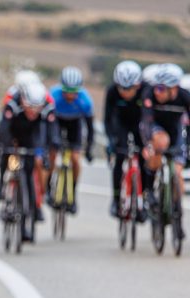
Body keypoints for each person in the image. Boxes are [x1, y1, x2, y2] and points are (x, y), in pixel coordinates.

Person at [0, 81, 54, 239]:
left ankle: (31, 208)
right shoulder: (12, 105)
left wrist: (45, 154)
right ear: (23, 101)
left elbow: (48, 134)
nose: (33, 112)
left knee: (29, 172)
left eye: (36, 109)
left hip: (32, 137)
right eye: (30, 108)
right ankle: (1, 185)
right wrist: (2, 149)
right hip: (14, 133)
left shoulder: (46, 109)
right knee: (7, 157)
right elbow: (4, 129)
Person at [140, 63, 190, 235]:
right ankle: (149, 190)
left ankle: (177, 211)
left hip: (176, 130)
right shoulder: (148, 95)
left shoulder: (184, 97)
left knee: (178, 173)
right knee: (161, 142)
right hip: (155, 128)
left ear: (173, 88)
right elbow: (146, 121)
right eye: (156, 87)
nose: (157, 92)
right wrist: (149, 144)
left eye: (161, 88)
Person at [48, 66, 95, 214]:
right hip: (56, 122)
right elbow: (46, 123)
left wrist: (89, 148)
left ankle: (72, 192)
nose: (69, 95)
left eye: (73, 91)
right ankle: (49, 185)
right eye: (66, 91)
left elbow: (90, 127)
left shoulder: (85, 101)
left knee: (75, 158)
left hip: (75, 125)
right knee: (52, 153)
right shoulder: (53, 96)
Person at [104, 60, 146, 218]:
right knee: (120, 157)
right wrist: (111, 140)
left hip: (140, 125)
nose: (126, 93)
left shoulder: (145, 90)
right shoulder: (112, 92)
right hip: (120, 124)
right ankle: (116, 200)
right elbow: (107, 119)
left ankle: (144, 199)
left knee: (144, 160)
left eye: (130, 88)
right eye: (122, 88)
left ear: (138, 85)